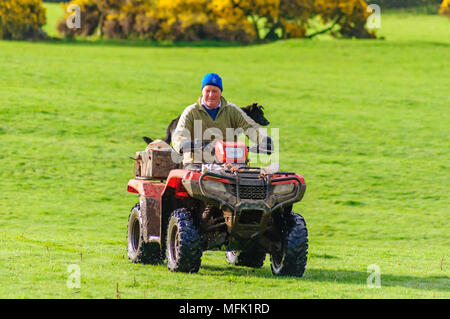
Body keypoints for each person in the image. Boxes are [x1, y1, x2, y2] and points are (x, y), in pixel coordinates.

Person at [172, 73, 271, 165]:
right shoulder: (191, 112)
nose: (211, 95)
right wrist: (184, 143)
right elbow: (179, 135)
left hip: (230, 165)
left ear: (221, 92)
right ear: (202, 92)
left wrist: (263, 139)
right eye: (208, 91)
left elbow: (250, 127)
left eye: (215, 91)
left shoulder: (232, 110)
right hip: (197, 165)